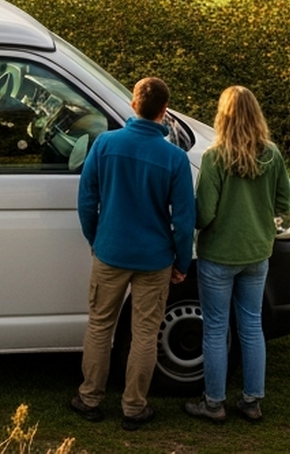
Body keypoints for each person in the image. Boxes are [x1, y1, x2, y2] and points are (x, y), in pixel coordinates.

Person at [70, 76, 197, 431]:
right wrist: (181, 262)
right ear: (164, 111)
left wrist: (96, 238)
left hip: (111, 252)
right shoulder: (174, 158)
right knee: (145, 333)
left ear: (132, 105)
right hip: (154, 259)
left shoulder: (105, 144)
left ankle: (90, 397)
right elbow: (184, 220)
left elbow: (86, 200)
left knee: (99, 326)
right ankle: (134, 406)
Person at [184, 85, 290, 425]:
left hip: (219, 254)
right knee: (251, 326)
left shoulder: (214, 157)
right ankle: (251, 401)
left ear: (224, 116)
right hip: (257, 253)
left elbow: (204, 214)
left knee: (216, 328)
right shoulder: (272, 154)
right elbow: (283, 204)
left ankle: (214, 402)